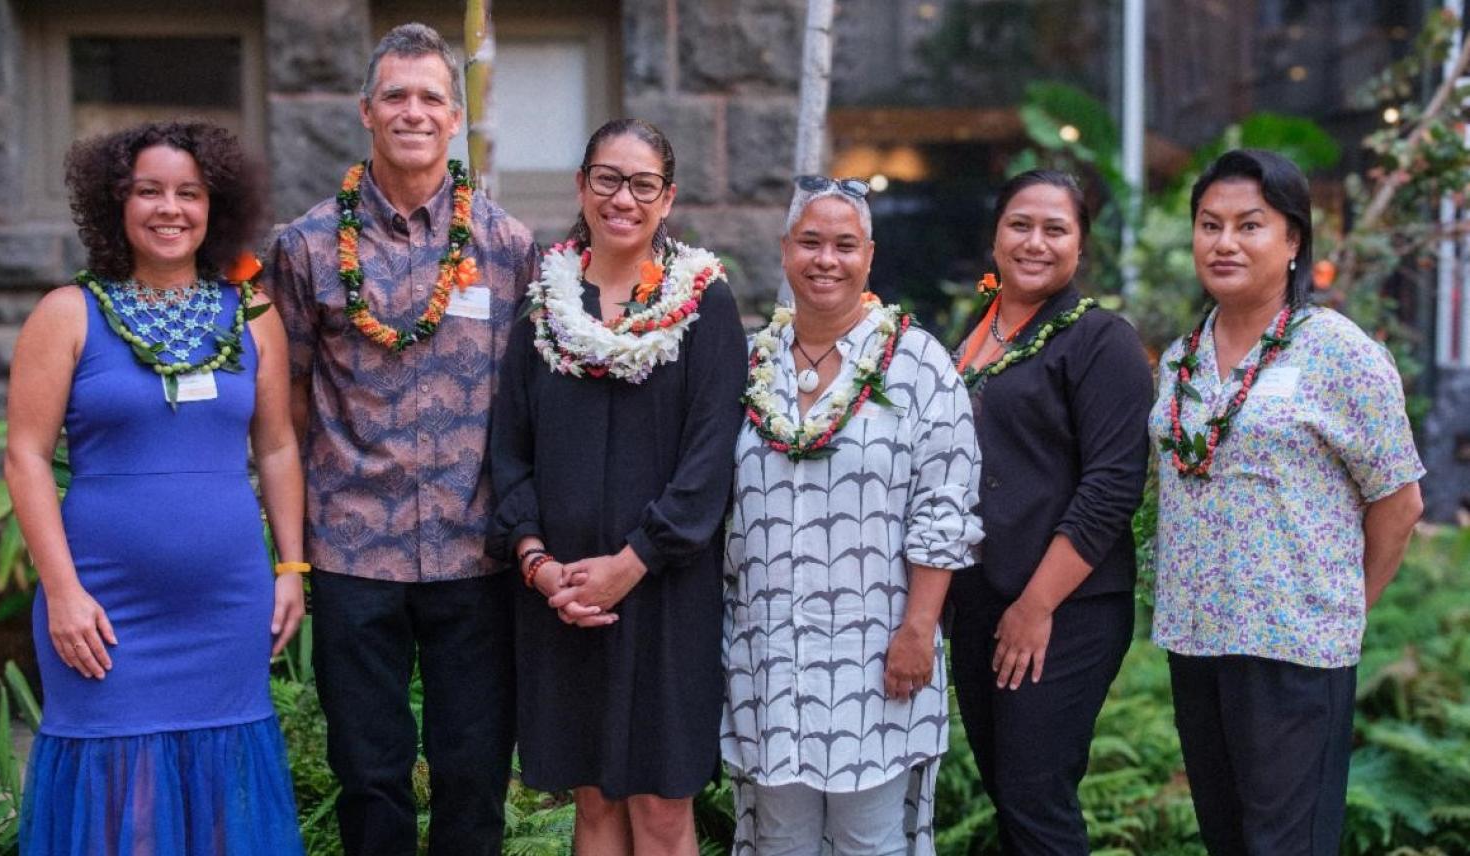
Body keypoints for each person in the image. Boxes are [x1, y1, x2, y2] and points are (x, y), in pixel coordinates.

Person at [261, 22, 538, 856]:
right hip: (352, 552)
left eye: (429, 97)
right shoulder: (307, 247)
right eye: (396, 96)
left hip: (475, 553)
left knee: (474, 772)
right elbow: (290, 401)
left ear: (455, 118)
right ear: (366, 111)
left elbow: (528, 404)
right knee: (369, 773)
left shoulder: (510, 248)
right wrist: (294, 548)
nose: (412, 111)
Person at [6, 120, 305, 855]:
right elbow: (25, 458)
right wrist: (65, 593)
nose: (169, 209)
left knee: (221, 806)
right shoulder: (66, 314)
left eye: (189, 193)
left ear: (215, 208)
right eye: (149, 191)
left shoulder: (252, 315)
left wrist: (291, 567)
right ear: (117, 203)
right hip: (104, 609)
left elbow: (276, 446)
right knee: (123, 808)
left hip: (226, 604)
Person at [1152, 149, 1424, 855]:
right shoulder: (1179, 360)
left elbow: (1399, 502)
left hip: (1296, 649)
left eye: (1250, 225)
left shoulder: (1340, 352)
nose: (1225, 242)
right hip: (1196, 640)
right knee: (1228, 840)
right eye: (1209, 225)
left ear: (1294, 239)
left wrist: (1341, 608)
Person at [487, 118, 744, 856]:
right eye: (606, 178)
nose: (622, 198)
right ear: (581, 185)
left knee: (662, 809)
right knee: (594, 801)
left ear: (667, 199)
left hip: (664, 595)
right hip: (563, 599)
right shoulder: (544, 307)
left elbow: (709, 463)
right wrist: (539, 567)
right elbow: (510, 450)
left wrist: (630, 564)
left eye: (642, 184)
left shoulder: (705, 305)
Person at [722, 176, 984, 855]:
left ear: (869, 254)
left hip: (878, 651)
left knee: (871, 841)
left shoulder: (919, 365)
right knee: (780, 839)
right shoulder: (749, 364)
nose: (825, 260)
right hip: (767, 653)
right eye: (810, 242)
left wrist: (918, 630)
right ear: (785, 250)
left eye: (844, 244)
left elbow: (945, 507)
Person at [947, 169, 1152, 854]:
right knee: (1010, 796)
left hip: (1064, 610)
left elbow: (1112, 486)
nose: (1035, 242)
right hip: (979, 600)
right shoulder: (975, 335)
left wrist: (1034, 609)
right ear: (996, 236)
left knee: (1037, 802)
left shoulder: (1101, 341)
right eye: (1020, 225)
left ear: (1080, 245)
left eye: (1055, 229)